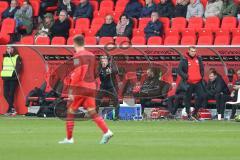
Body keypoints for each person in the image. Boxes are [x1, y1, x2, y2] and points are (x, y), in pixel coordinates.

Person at [58, 35, 113, 144]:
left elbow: (77, 73)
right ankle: (106, 132)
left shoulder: (77, 56)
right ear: (84, 43)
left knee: (70, 111)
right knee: (92, 112)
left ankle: (69, 139)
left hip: (80, 87)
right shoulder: (92, 55)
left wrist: (71, 90)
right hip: (91, 87)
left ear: (74, 44)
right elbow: (94, 72)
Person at [178, 46, 205, 120]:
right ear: (189, 51)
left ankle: (195, 113)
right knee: (187, 98)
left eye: (194, 51)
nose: (193, 53)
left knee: (201, 96)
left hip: (198, 82)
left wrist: (201, 76)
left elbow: (202, 69)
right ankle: (188, 114)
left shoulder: (198, 59)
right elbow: (179, 70)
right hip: (189, 82)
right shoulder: (184, 59)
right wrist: (186, 77)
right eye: (192, 51)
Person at [96, 56, 119, 120]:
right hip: (102, 88)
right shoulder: (99, 68)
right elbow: (99, 74)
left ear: (107, 61)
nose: (104, 62)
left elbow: (116, 71)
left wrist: (111, 71)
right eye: (102, 61)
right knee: (96, 100)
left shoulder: (111, 66)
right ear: (101, 62)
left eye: (105, 61)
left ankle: (116, 117)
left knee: (116, 101)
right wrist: (105, 71)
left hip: (111, 88)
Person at [1, 46, 22, 116]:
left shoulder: (17, 57)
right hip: (6, 77)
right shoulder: (5, 57)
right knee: (5, 94)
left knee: (11, 94)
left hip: (13, 78)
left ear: (13, 49)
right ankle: (12, 108)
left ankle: (10, 109)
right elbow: (3, 66)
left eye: (9, 48)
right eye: (7, 48)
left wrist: (13, 74)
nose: (8, 50)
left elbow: (18, 67)